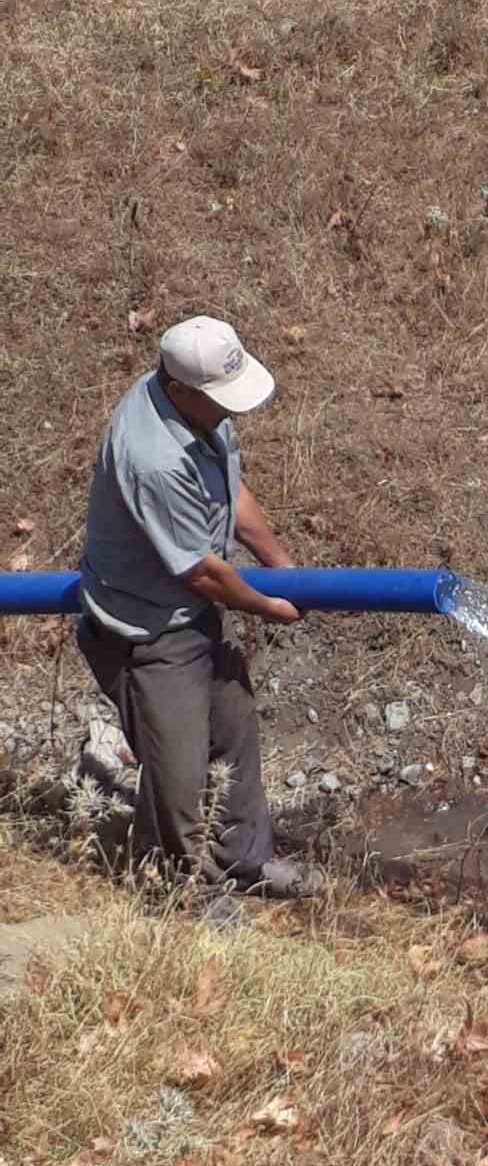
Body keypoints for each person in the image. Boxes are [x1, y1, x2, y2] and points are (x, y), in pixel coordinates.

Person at [77, 315, 323, 904]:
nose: (231, 411)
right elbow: (202, 571)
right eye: (220, 400)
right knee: (179, 774)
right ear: (181, 388)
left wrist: (282, 562)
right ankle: (190, 892)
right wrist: (269, 605)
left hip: (191, 614)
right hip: (146, 632)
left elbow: (231, 492)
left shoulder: (196, 409)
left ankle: (246, 864)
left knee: (235, 730)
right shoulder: (153, 455)